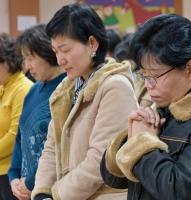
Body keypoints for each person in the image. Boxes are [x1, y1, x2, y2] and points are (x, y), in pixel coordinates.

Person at [100, 14, 191, 200]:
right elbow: (113, 178)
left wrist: (142, 142)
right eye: (144, 75)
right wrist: (131, 135)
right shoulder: (161, 110)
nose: (148, 84)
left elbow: (178, 191)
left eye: (155, 75)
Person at [31, 4, 137, 200]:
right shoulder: (67, 87)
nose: (60, 59)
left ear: (92, 44)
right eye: (55, 51)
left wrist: (57, 195)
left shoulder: (115, 86)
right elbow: (51, 147)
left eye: (65, 50)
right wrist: (42, 191)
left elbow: (99, 160)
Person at [7, 24, 66, 200]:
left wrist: (30, 182)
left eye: (30, 58)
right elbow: (20, 138)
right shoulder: (33, 90)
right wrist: (14, 177)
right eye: (24, 59)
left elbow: (63, 148)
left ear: (47, 51)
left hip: (51, 189)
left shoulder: (66, 88)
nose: (26, 65)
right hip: (23, 189)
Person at [0, 33, 33, 200]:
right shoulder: (4, 86)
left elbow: (14, 136)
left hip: (11, 172)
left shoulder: (22, 88)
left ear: (6, 62)